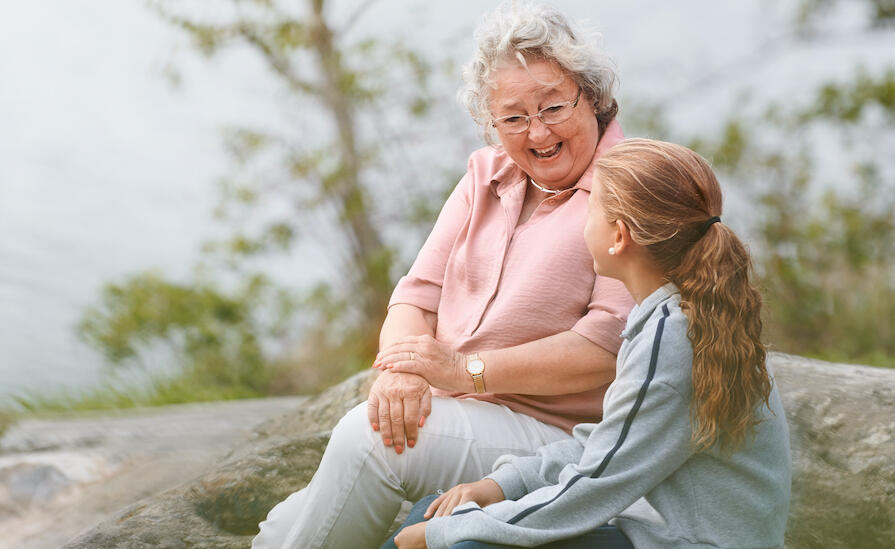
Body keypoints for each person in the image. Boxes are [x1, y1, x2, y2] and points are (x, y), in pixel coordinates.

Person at [251, 3, 635, 548]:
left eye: (553, 106)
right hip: (462, 411)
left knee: (370, 438)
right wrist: (406, 372)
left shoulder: (631, 185)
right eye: (513, 117)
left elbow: (606, 346)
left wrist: (461, 370)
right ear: (491, 123)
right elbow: (415, 297)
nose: (538, 132)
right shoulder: (486, 173)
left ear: (592, 97)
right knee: (278, 531)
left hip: (558, 437)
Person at [384, 139, 793, 549]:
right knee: (435, 512)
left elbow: (596, 487)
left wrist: (450, 532)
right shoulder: (673, 317)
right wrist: (501, 484)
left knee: (459, 541)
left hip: (686, 541)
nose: (582, 223)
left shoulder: (672, 338)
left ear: (618, 236)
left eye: (590, 208)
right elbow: (610, 442)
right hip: (668, 534)